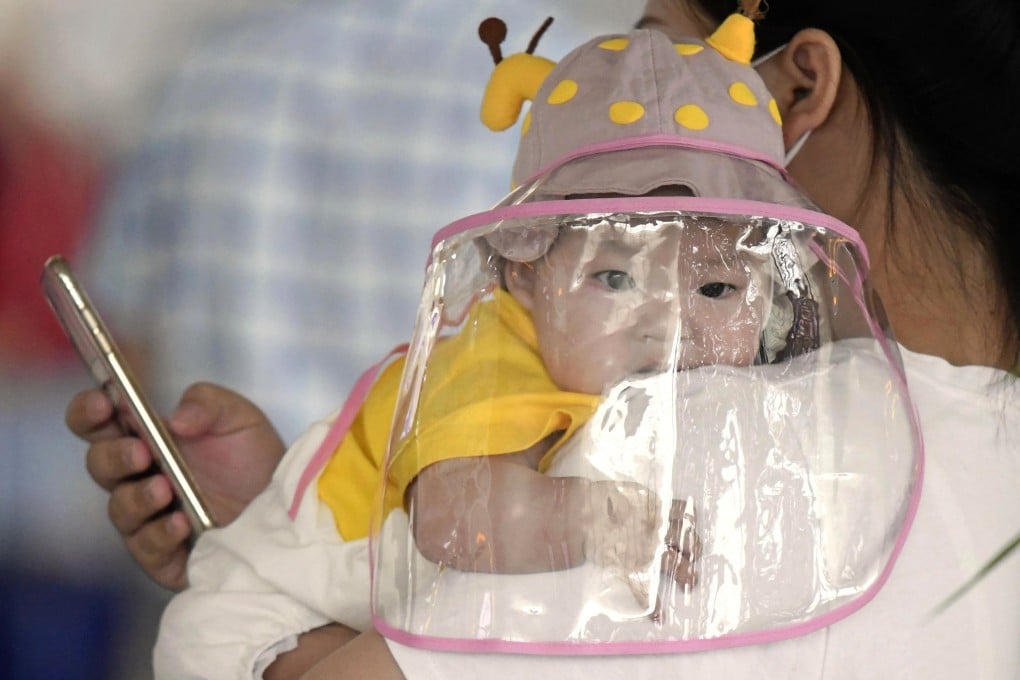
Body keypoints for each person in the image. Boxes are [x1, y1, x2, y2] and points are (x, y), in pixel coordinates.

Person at [69, 0, 1020, 678]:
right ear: (525, 270)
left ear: (801, 88)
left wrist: (275, 596)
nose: (668, 322)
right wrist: (297, 507)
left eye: (720, 284)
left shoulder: (691, 444)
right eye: (615, 272)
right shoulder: (969, 447)